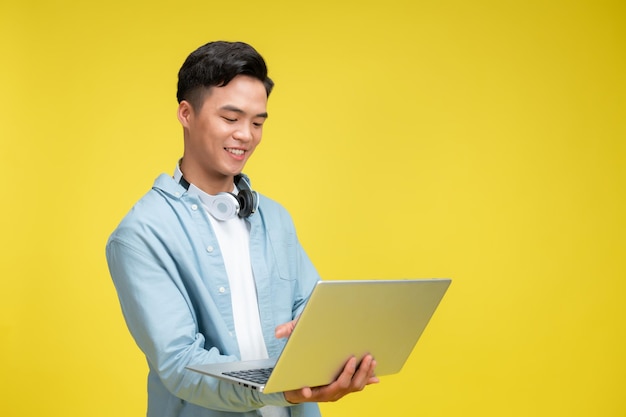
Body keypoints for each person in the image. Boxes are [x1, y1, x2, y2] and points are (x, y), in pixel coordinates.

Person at [105, 40, 378, 417]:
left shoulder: (276, 218)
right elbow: (181, 365)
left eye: (257, 122)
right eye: (231, 119)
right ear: (186, 114)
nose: (246, 135)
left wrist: (330, 348)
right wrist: (283, 390)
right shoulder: (140, 236)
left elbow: (310, 311)